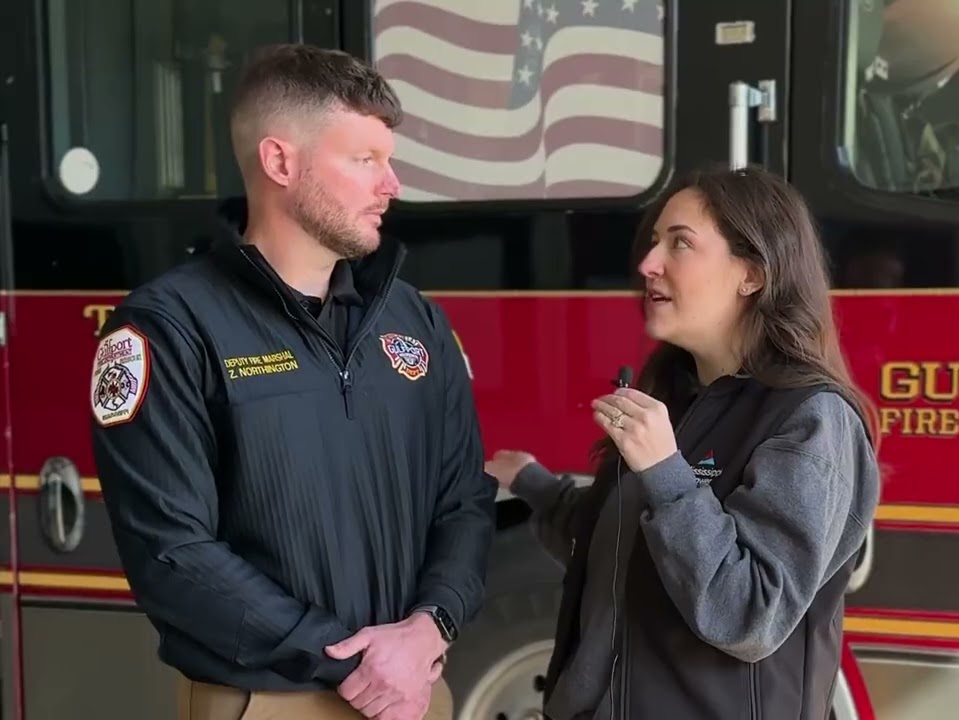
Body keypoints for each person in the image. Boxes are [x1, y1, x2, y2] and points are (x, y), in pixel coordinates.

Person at [88, 43, 495, 720]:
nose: (390, 184)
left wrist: (430, 626)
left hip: (415, 695)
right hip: (269, 702)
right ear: (281, 162)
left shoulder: (415, 319)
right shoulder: (166, 327)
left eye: (387, 161)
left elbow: (465, 502)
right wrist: (354, 659)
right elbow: (172, 551)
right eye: (365, 161)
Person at [485, 165, 883, 720]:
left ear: (753, 274)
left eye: (681, 244)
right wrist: (533, 484)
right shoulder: (680, 396)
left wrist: (666, 472)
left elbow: (749, 614)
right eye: (653, 244)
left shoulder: (812, 420)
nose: (648, 265)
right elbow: (620, 542)